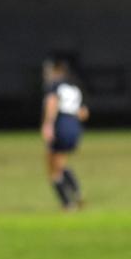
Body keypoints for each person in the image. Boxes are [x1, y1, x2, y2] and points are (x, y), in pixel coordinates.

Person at [40, 59, 89, 210]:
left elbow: (52, 102)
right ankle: (76, 192)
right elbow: (84, 113)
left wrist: (48, 124)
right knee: (60, 163)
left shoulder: (55, 85)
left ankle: (68, 204)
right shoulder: (75, 88)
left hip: (61, 124)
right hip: (74, 126)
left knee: (52, 168)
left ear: (57, 71)